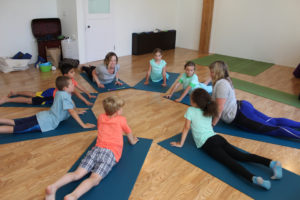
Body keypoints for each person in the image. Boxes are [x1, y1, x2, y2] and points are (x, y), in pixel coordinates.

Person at [170, 88, 282, 190]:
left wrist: (180, 143)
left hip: (208, 144)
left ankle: (253, 178)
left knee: (229, 162)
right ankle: (272, 163)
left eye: (190, 97)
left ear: (195, 101)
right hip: (218, 138)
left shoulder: (190, 110)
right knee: (241, 156)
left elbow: (186, 128)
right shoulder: (208, 109)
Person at [45, 96, 139, 200]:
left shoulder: (101, 117)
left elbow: (101, 128)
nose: (122, 110)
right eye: (121, 108)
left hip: (96, 150)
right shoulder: (122, 120)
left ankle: (53, 187)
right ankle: (73, 196)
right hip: (110, 153)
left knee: (76, 174)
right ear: (117, 111)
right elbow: (129, 133)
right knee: (94, 179)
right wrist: (133, 141)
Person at [209, 61, 300, 139]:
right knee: (272, 121)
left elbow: (220, 107)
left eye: (212, 72)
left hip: (241, 115)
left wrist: (212, 124)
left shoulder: (221, 84)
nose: (210, 74)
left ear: (218, 72)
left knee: (273, 129)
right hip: (242, 108)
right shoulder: (225, 79)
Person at [0, 76, 96, 134]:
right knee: (16, 129)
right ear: (65, 87)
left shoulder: (60, 92)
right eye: (71, 84)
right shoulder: (65, 97)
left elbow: (71, 106)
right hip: (45, 122)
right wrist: (83, 125)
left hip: (43, 115)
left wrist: (77, 110)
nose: (74, 85)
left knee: (18, 122)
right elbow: (70, 110)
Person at [0, 63, 95, 106]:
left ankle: (15, 92)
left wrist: (88, 93)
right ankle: (7, 99)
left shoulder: (72, 81)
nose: (73, 73)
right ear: (66, 75)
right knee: (30, 100)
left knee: (34, 94)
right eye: (71, 72)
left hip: (51, 92)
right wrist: (85, 101)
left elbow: (80, 87)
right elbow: (77, 93)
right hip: (50, 96)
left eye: (73, 72)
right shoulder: (68, 83)